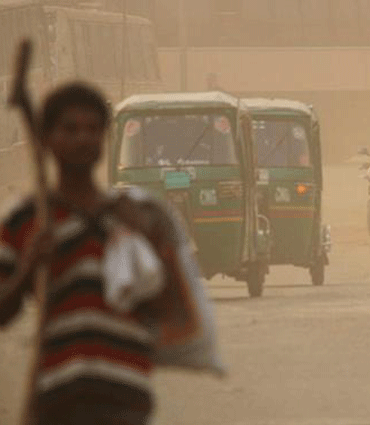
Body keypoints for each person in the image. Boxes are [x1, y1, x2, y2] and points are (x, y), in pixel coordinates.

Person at [0, 83, 222, 425]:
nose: (82, 139)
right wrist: (30, 263)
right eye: (70, 129)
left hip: (126, 398)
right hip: (54, 397)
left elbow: (178, 313)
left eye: (92, 129)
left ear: (105, 137)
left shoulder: (141, 215)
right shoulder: (25, 220)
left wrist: (151, 245)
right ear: (46, 138)